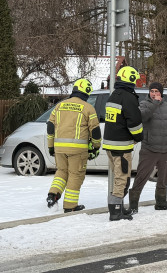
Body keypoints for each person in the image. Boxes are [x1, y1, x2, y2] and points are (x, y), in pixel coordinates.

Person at [46, 78, 101, 213]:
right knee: (76, 175)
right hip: (78, 150)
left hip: (59, 148)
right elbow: (95, 130)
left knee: (61, 172)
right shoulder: (88, 108)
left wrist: (51, 146)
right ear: (86, 92)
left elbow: (50, 127)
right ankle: (70, 206)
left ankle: (52, 195)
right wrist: (96, 146)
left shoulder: (59, 105)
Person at [129, 82, 167, 213]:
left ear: (161, 93)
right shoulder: (144, 104)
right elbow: (142, 117)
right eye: (152, 91)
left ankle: (161, 202)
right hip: (149, 149)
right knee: (142, 177)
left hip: (165, 150)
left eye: (156, 91)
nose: (154, 94)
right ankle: (133, 205)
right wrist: (155, 103)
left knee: (164, 178)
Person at [102, 65, 143, 221]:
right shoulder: (129, 97)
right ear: (131, 79)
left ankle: (118, 207)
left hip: (110, 145)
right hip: (121, 146)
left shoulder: (114, 95)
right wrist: (139, 137)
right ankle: (116, 211)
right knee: (122, 178)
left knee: (118, 177)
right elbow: (134, 123)